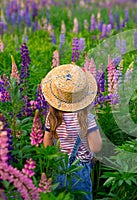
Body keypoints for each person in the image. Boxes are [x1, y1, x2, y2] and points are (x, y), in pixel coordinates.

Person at [41, 64, 102, 200]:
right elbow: (96, 147)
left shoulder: (51, 118)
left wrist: (55, 158)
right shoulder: (87, 119)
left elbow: (47, 143)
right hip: (80, 170)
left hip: (59, 167)